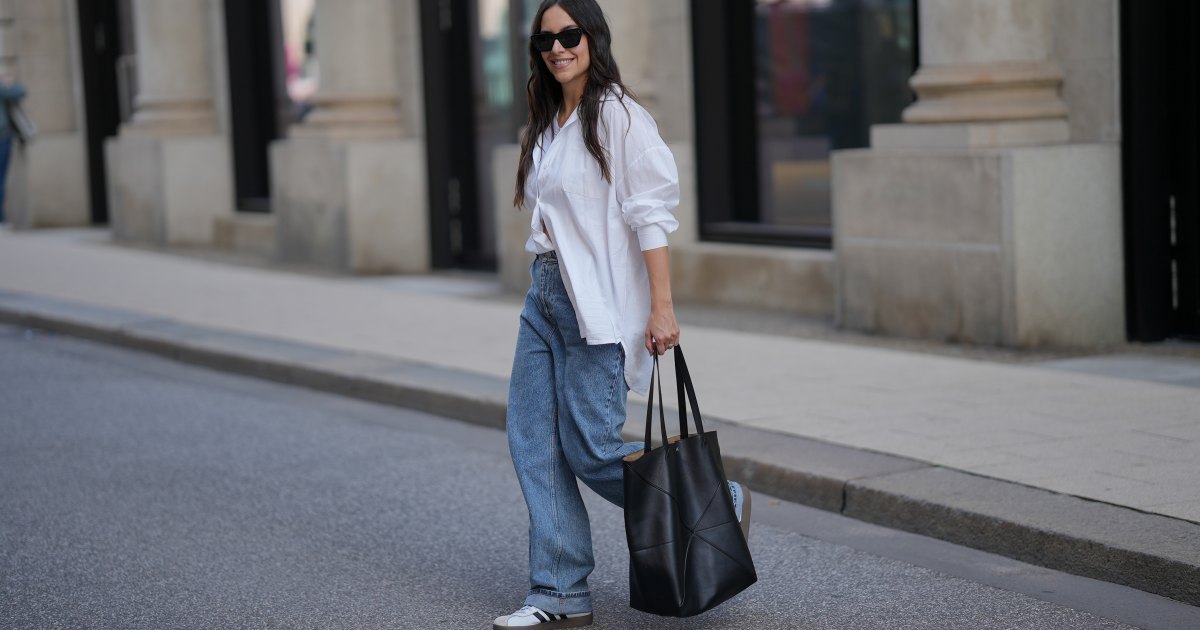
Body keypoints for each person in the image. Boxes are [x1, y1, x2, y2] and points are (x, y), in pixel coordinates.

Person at [495, 1, 750, 627]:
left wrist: (662, 308)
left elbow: (650, 213)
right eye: (546, 39)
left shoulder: (618, 116)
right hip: (545, 296)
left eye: (570, 35)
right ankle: (558, 594)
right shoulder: (551, 120)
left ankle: (716, 501)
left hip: (595, 306)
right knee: (533, 442)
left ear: (593, 38)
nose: (558, 48)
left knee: (590, 448)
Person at [0, 74, 26, 224]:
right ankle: (1, 216)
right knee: (1, 177)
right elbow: (20, 92)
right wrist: (9, 82)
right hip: (2, 137)